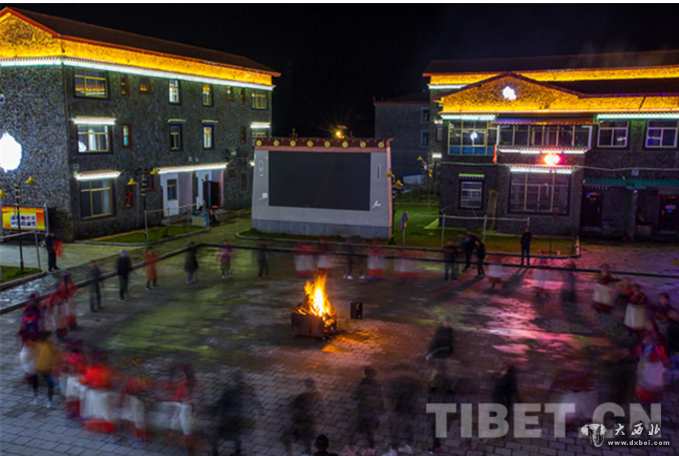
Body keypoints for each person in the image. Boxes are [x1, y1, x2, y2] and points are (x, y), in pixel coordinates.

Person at [351, 367, 384, 455]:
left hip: (364, 410)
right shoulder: (377, 385)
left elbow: (356, 396)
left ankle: (371, 448)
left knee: (366, 430)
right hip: (374, 411)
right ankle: (371, 447)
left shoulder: (363, 384)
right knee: (369, 430)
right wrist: (381, 409)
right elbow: (380, 398)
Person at [283, 378, 319, 456]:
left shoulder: (301, 396)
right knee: (308, 434)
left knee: (304, 435)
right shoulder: (316, 395)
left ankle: (307, 450)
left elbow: (294, 406)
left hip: (303, 419)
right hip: (310, 419)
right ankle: (309, 448)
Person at [426, 319, 454, 392]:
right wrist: (431, 354)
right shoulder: (439, 333)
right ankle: (433, 385)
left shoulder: (450, 332)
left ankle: (448, 387)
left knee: (448, 372)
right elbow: (434, 344)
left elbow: (451, 344)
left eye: (448, 322)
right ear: (442, 323)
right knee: (436, 371)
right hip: (439, 356)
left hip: (446, 355)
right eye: (446, 322)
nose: (447, 324)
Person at [35, 331, 60, 407]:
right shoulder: (51, 346)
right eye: (52, 336)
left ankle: (36, 398)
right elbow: (58, 354)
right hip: (47, 369)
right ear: (48, 338)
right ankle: (49, 402)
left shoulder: (40, 344)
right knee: (50, 385)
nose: (54, 338)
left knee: (46, 383)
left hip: (39, 368)